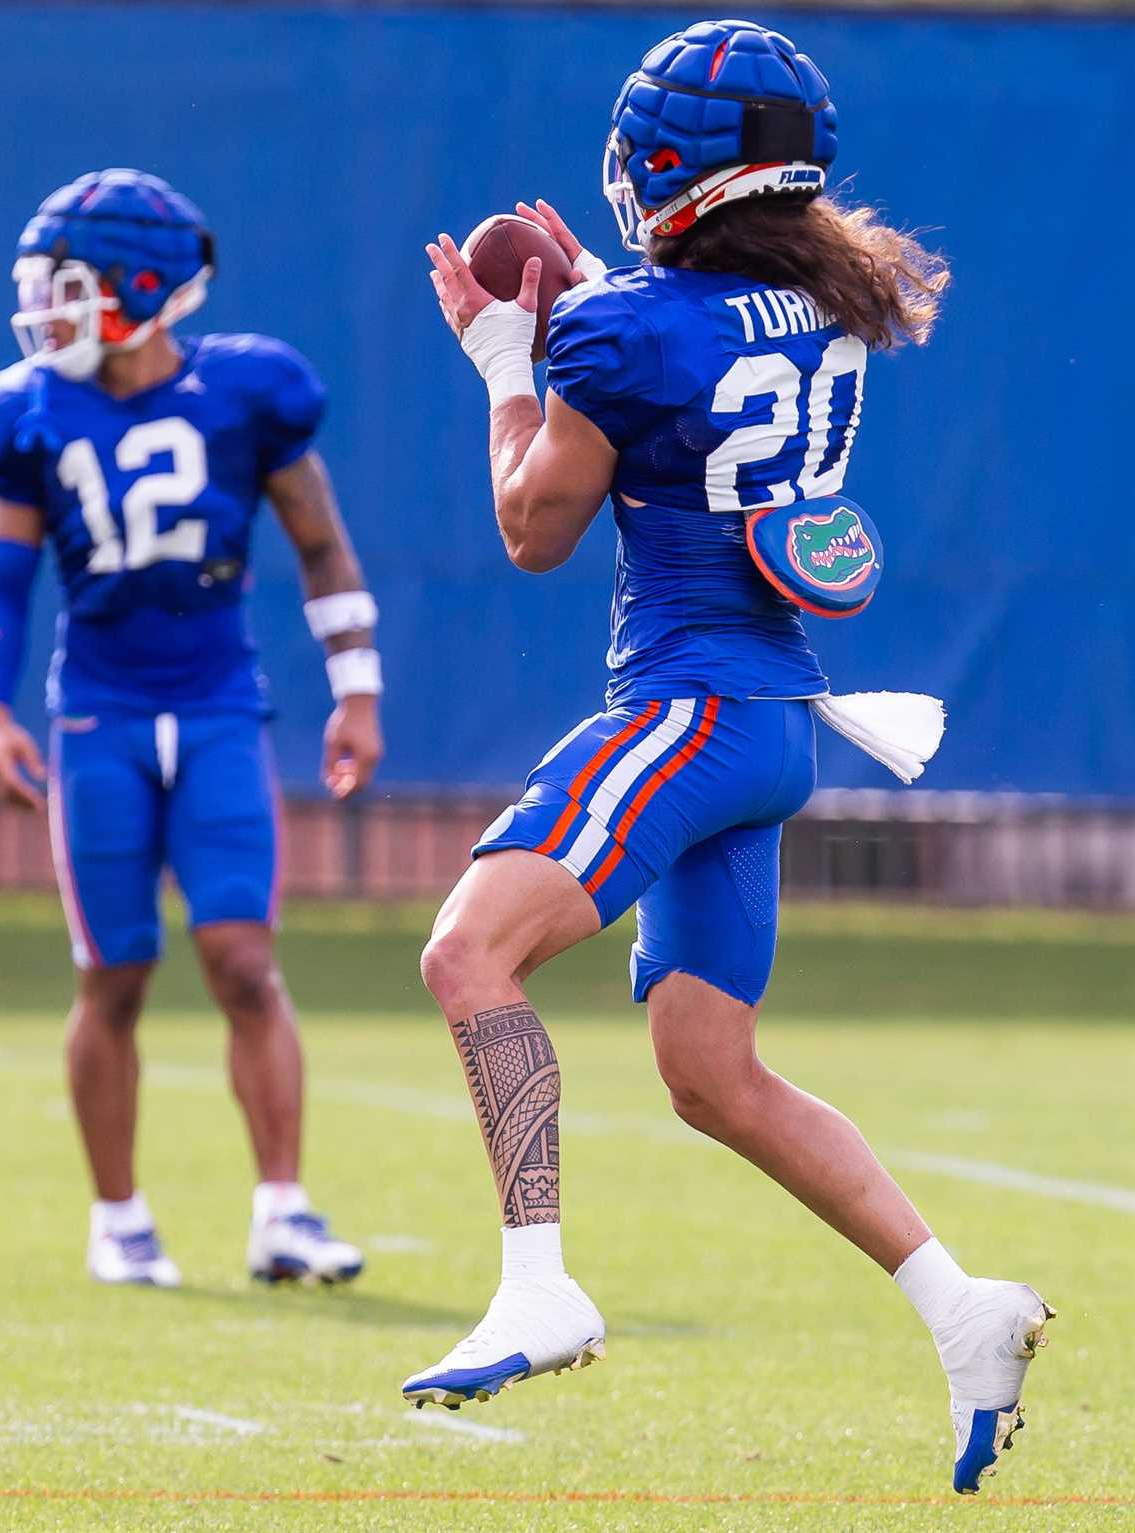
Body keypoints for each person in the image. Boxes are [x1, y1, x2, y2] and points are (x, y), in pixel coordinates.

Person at [406, 20, 1051, 1496]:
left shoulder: (624, 329)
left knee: (467, 954)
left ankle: (538, 1281)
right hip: (776, 727)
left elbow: (532, 526)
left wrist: (510, 352)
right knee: (711, 1073)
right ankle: (964, 1310)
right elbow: (686, 369)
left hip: (686, 707)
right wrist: (586, 320)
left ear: (673, 167)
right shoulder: (825, 300)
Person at [0, 169, 383, 1289]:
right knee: (115, 975)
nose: (43, 310)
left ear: (137, 287)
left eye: (65, 287)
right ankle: (118, 1217)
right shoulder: (27, 409)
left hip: (214, 708)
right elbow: (2, 586)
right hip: (95, 714)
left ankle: (283, 1210)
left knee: (244, 963)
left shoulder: (248, 392)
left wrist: (359, 690)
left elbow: (321, 545)